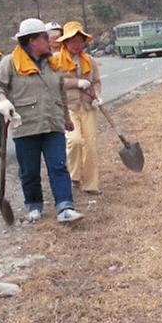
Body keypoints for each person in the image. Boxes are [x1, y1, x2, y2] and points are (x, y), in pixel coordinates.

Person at [0, 18, 84, 224]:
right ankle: (34, 205)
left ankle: (65, 207)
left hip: (52, 122)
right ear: (32, 41)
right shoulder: (10, 63)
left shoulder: (52, 63)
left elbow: (60, 92)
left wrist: (65, 117)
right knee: (29, 171)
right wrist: (3, 100)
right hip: (25, 125)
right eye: (44, 37)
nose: (49, 40)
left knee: (59, 166)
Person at [53, 21, 102, 195]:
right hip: (69, 108)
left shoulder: (89, 60)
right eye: (72, 41)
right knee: (74, 141)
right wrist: (76, 83)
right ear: (65, 42)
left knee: (90, 145)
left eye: (79, 41)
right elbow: (56, 83)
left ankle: (91, 184)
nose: (76, 44)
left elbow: (96, 81)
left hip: (88, 107)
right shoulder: (55, 61)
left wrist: (97, 96)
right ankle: (74, 176)